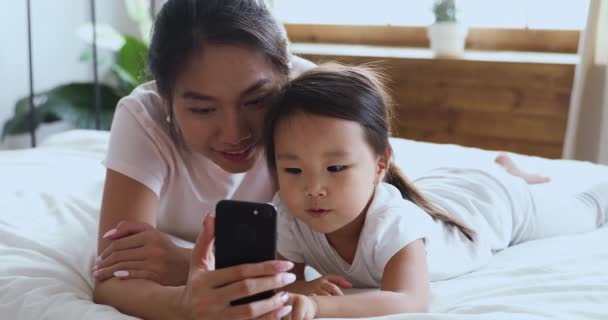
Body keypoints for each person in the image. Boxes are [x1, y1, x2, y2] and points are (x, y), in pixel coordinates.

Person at [262, 63, 608, 319]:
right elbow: (288, 280)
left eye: (335, 168)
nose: (313, 189)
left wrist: (319, 305)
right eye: (293, 169)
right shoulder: (290, 213)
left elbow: (409, 300)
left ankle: (511, 178)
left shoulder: (393, 223)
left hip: (494, 206)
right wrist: (300, 288)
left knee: (587, 210)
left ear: (380, 166)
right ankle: (509, 171)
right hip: (444, 191)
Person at [92, 1, 315, 319]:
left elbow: (327, 250)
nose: (234, 133)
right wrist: (184, 305)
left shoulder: (308, 96)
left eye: (257, 100)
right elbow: (112, 282)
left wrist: (183, 262)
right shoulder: (144, 118)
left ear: (287, 75)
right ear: (165, 98)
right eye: (203, 109)